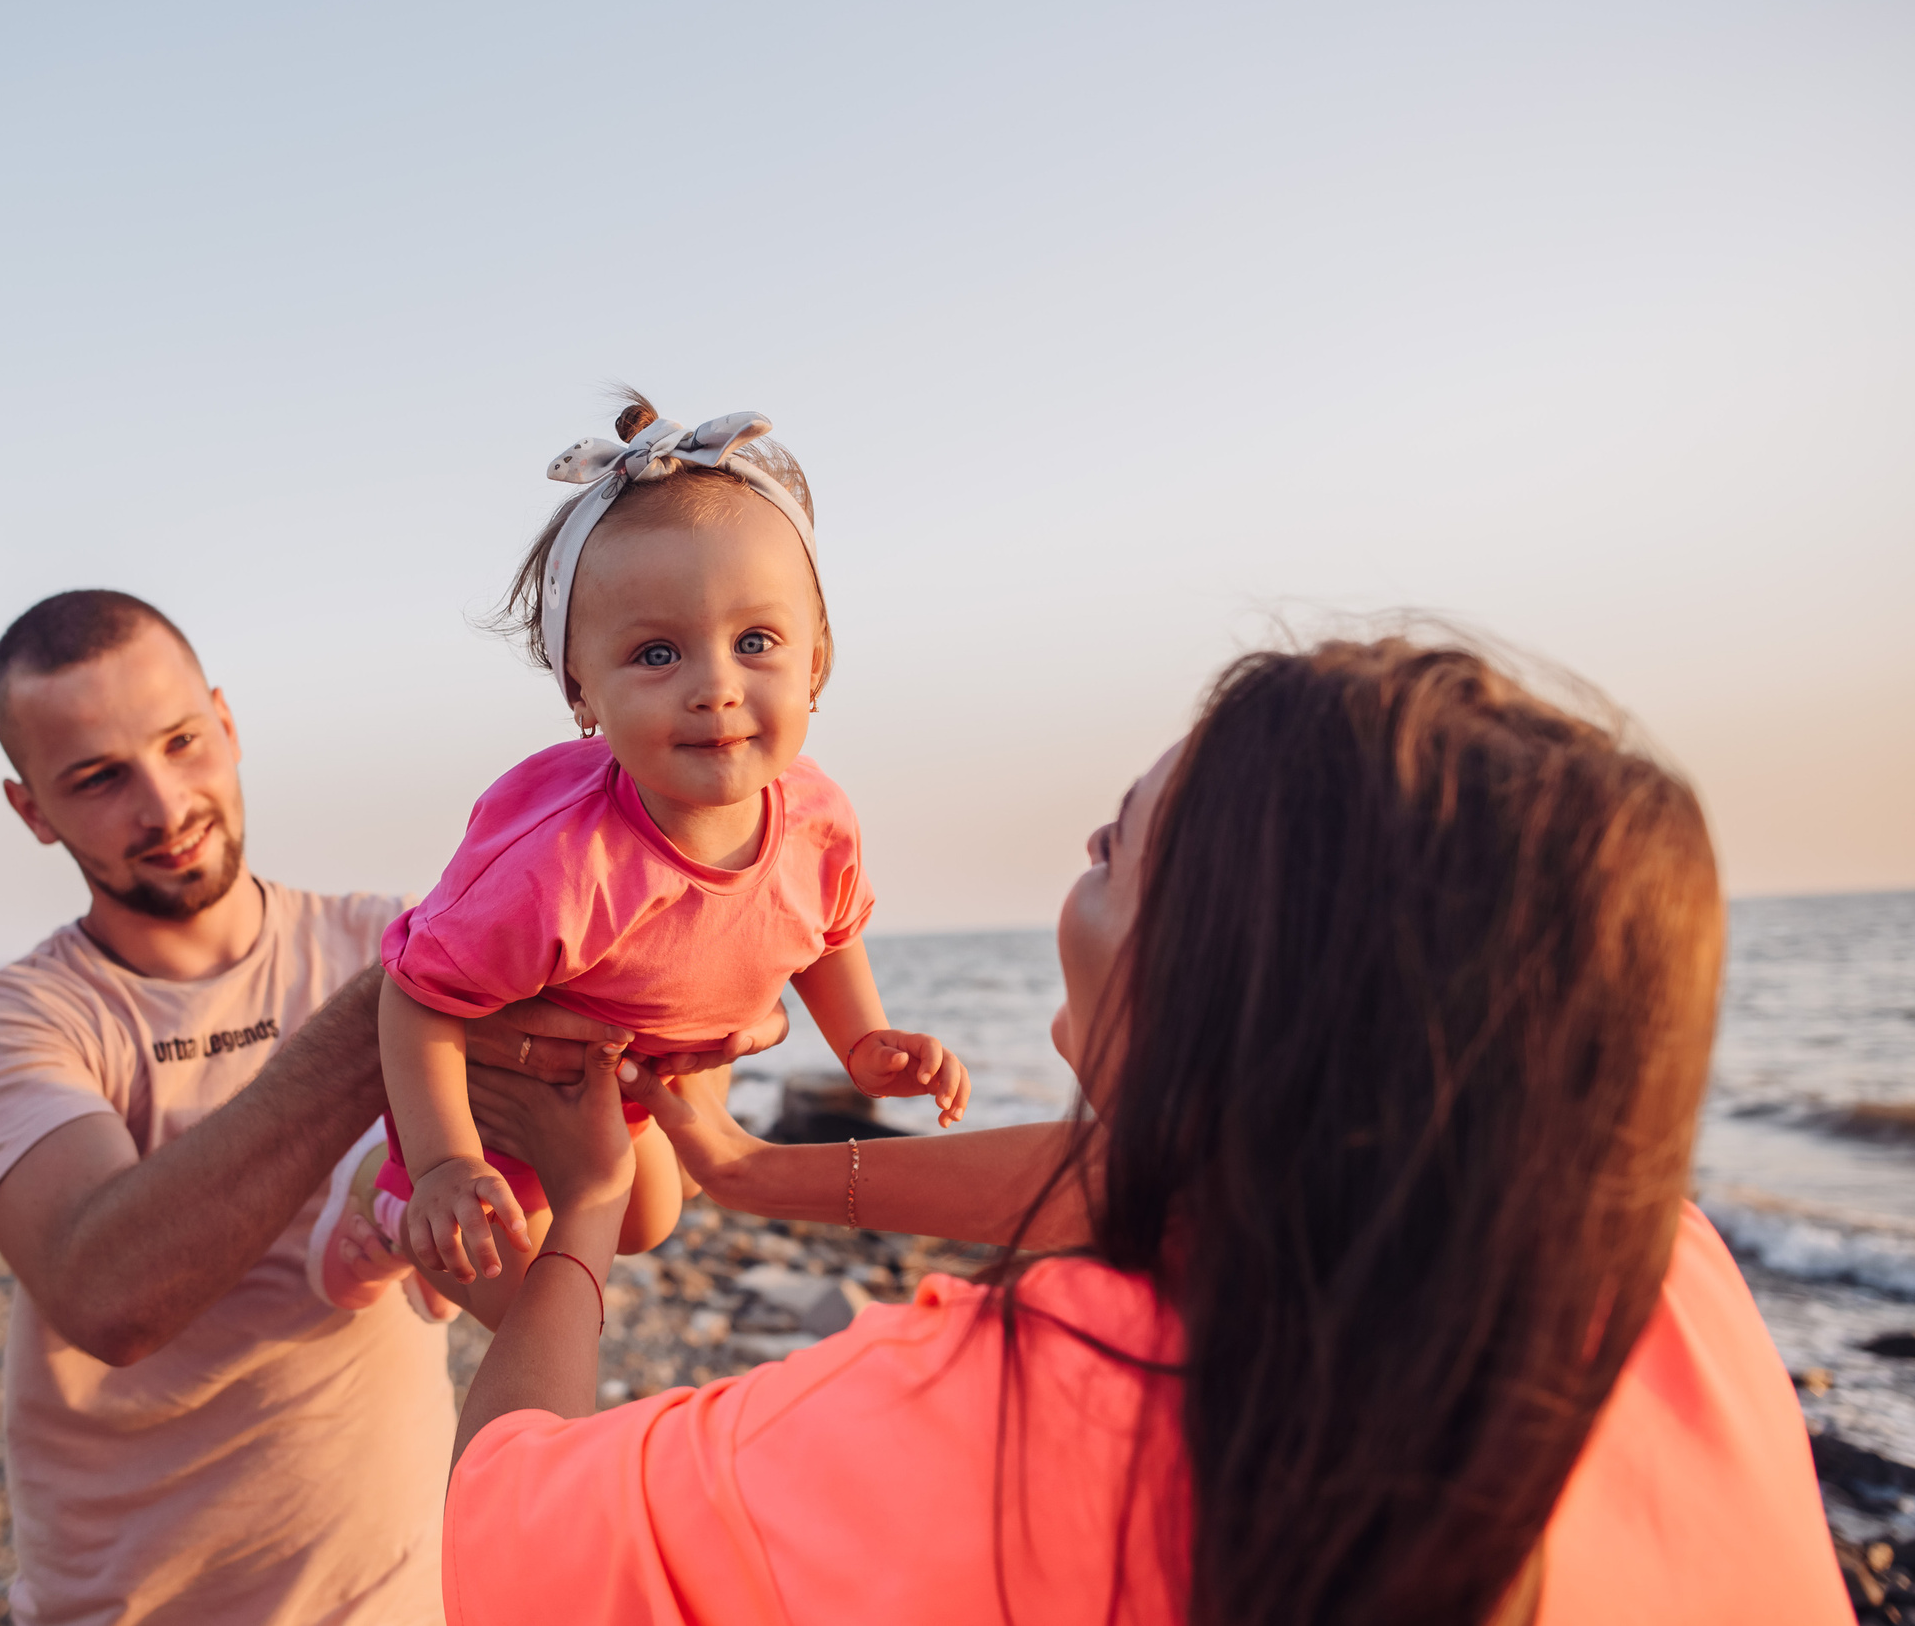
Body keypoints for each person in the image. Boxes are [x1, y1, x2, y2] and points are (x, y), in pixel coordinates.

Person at [442, 636, 1852, 1625]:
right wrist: (746, 1173)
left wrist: (584, 1207)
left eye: (1114, 851)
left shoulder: (978, 1417)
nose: (1082, 868)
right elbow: (1168, 1179)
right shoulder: (1669, 1279)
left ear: (1224, 973)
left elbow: (498, 1534)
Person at [0, 589, 673, 1626]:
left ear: (226, 724)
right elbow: (106, 1291)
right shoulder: (7, 1021)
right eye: (97, 778)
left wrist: (671, 1039)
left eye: (182, 742)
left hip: (404, 1596)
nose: (164, 802)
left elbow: (544, 1261)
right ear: (31, 808)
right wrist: (392, 1011)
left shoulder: (385, 936)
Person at [373, 394, 970, 1329]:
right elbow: (417, 997)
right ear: (584, 694)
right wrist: (447, 1160)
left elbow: (826, 932)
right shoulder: (562, 865)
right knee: (523, 1297)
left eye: (757, 642)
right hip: (498, 1110)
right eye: (657, 652)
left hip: (624, 1076)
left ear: (816, 662)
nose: (716, 686)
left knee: (650, 1223)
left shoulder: (818, 817)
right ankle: (395, 1215)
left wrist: (864, 1043)